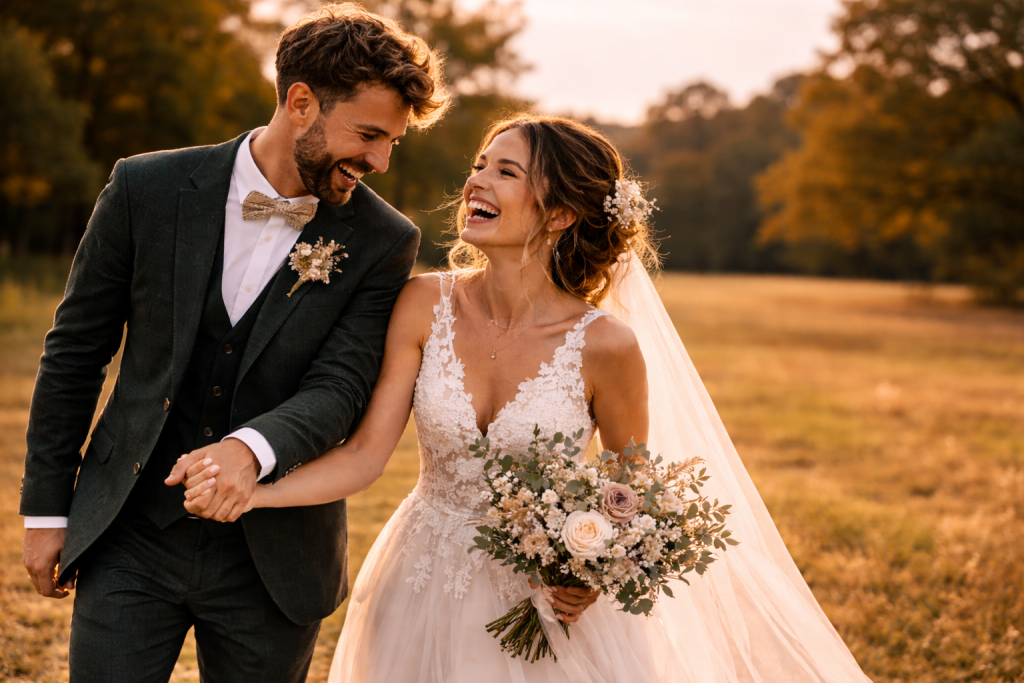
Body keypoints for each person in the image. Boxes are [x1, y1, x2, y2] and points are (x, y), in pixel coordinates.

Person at [176, 114, 876, 682]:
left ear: (562, 213)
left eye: (505, 171)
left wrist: (595, 567)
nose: (476, 179)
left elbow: (629, 486)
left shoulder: (607, 346)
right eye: (480, 164)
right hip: (420, 580)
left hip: (541, 602)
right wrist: (252, 493)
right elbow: (364, 457)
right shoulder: (423, 304)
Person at [19, 5, 449, 681]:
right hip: (130, 532)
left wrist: (251, 450)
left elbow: (340, 387)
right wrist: (46, 510)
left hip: (274, 563)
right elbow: (76, 351)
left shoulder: (384, 239)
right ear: (301, 102)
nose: (379, 160)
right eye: (369, 134)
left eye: (391, 141)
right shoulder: (146, 187)